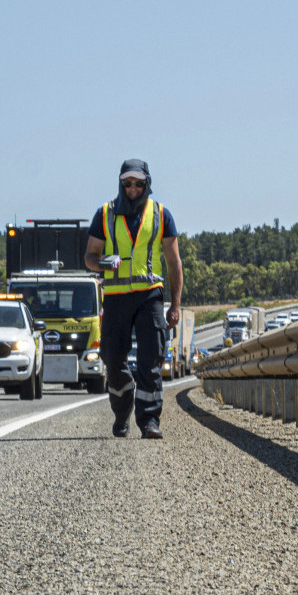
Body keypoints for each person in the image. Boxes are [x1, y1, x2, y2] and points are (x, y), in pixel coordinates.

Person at [84, 159, 182, 440]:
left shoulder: (161, 215)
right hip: (115, 297)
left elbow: (174, 264)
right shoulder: (104, 214)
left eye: (138, 183)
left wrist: (174, 305)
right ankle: (122, 408)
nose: (133, 188)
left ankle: (149, 419)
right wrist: (103, 263)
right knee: (113, 360)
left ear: (147, 184)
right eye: (128, 183)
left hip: (149, 295)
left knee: (151, 356)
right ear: (121, 183)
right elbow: (89, 257)